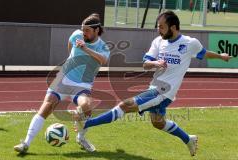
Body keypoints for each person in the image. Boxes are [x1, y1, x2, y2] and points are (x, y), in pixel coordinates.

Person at [76, 11, 232, 156]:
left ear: (173, 27)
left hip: (164, 92)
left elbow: (204, 53)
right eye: (158, 27)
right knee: (158, 123)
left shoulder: (190, 43)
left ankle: (87, 123)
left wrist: (221, 56)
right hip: (154, 87)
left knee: (125, 105)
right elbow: (145, 63)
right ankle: (188, 139)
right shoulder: (158, 41)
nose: (159, 30)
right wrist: (156, 63)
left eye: (162, 27)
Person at [14, 13, 110, 153]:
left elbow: (103, 60)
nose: (83, 33)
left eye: (87, 31)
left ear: (96, 30)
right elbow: (70, 44)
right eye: (82, 29)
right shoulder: (76, 35)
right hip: (63, 79)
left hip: (82, 85)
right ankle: (26, 143)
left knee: (87, 106)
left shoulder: (103, 47)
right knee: (46, 107)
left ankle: (81, 138)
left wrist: (85, 49)